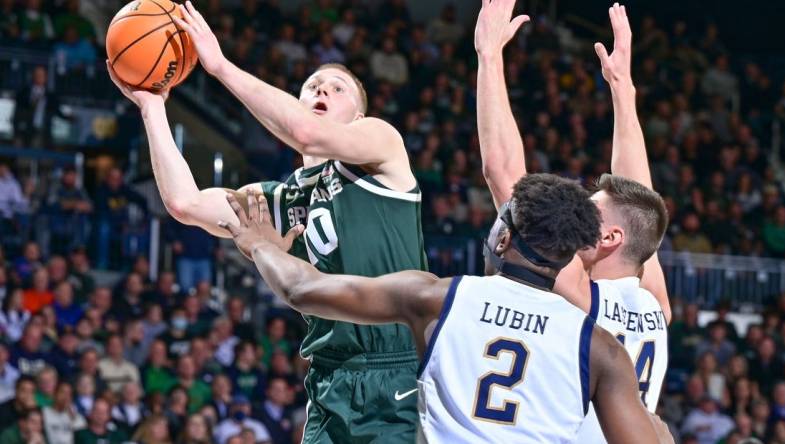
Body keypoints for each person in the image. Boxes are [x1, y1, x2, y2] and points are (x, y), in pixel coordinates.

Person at [109, 2, 428, 441]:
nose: (322, 90)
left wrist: (219, 67)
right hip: (329, 377)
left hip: (398, 369)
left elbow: (307, 133)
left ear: (357, 115)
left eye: (338, 88)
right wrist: (152, 107)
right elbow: (184, 203)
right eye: (313, 85)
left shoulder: (381, 145)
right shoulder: (275, 202)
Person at [218, 174, 672, 443]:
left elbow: (301, 288)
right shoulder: (600, 347)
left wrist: (258, 243)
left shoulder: (437, 298)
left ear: (503, 237)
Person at [473, 2, 670, 442]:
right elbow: (640, 196)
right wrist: (623, 89)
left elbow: (505, 177)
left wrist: (489, 57)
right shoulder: (655, 306)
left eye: (589, 209)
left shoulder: (585, 297)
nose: (576, 212)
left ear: (609, 237)